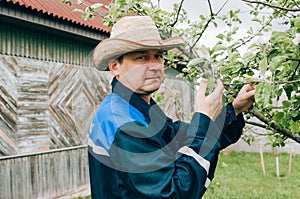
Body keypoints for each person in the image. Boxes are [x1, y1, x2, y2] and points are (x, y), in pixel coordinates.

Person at [88, 15, 255, 199]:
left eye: (158, 56)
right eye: (141, 57)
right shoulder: (125, 124)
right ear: (115, 67)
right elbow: (174, 192)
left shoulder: (132, 107)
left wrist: (233, 110)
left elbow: (177, 137)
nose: (154, 66)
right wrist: (204, 117)